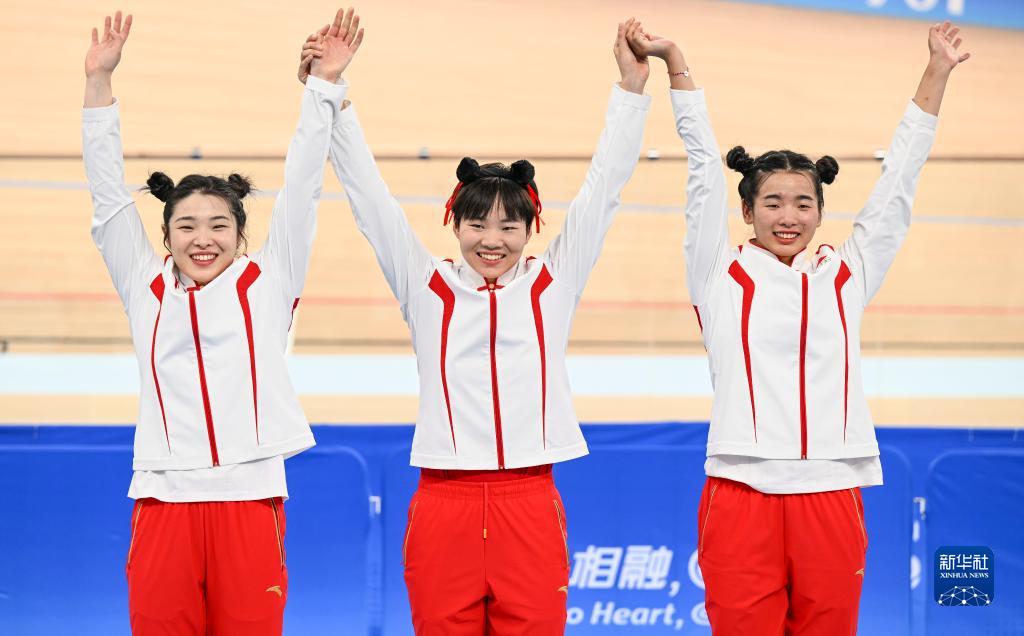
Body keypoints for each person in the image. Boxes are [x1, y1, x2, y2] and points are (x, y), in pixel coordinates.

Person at [299, 18, 650, 634]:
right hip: (444, 502)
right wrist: (330, 91)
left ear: (531, 229)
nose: (492, 240)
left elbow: (605, 189)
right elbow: (369, 199)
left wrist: (630, 90)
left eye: (509, 227)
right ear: (454, 225)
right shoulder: (425, 285)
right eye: (477, 225)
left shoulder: (553, 283)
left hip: (530, 501)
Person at [626, 19, 968, 635]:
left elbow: (899, 182)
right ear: (747, 209)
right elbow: (703, 172)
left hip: (832, 490)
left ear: (820, 210)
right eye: (773, 203)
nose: (788, 216)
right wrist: (676, 67)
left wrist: (936, 73)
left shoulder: (848, 273)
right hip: (739, 491)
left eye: (803, 203)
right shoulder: (718, 274)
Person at [82, 8, 361, 633]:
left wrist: (322, 88)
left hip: (249, 499)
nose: (202, 239)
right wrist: (98, 85)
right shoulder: (145, 285)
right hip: (163, 500)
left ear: (240, 233)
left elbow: (302, 188)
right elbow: (106, 196)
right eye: (186, 226)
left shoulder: (269, 282)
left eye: (218, 226)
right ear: (166, 236)